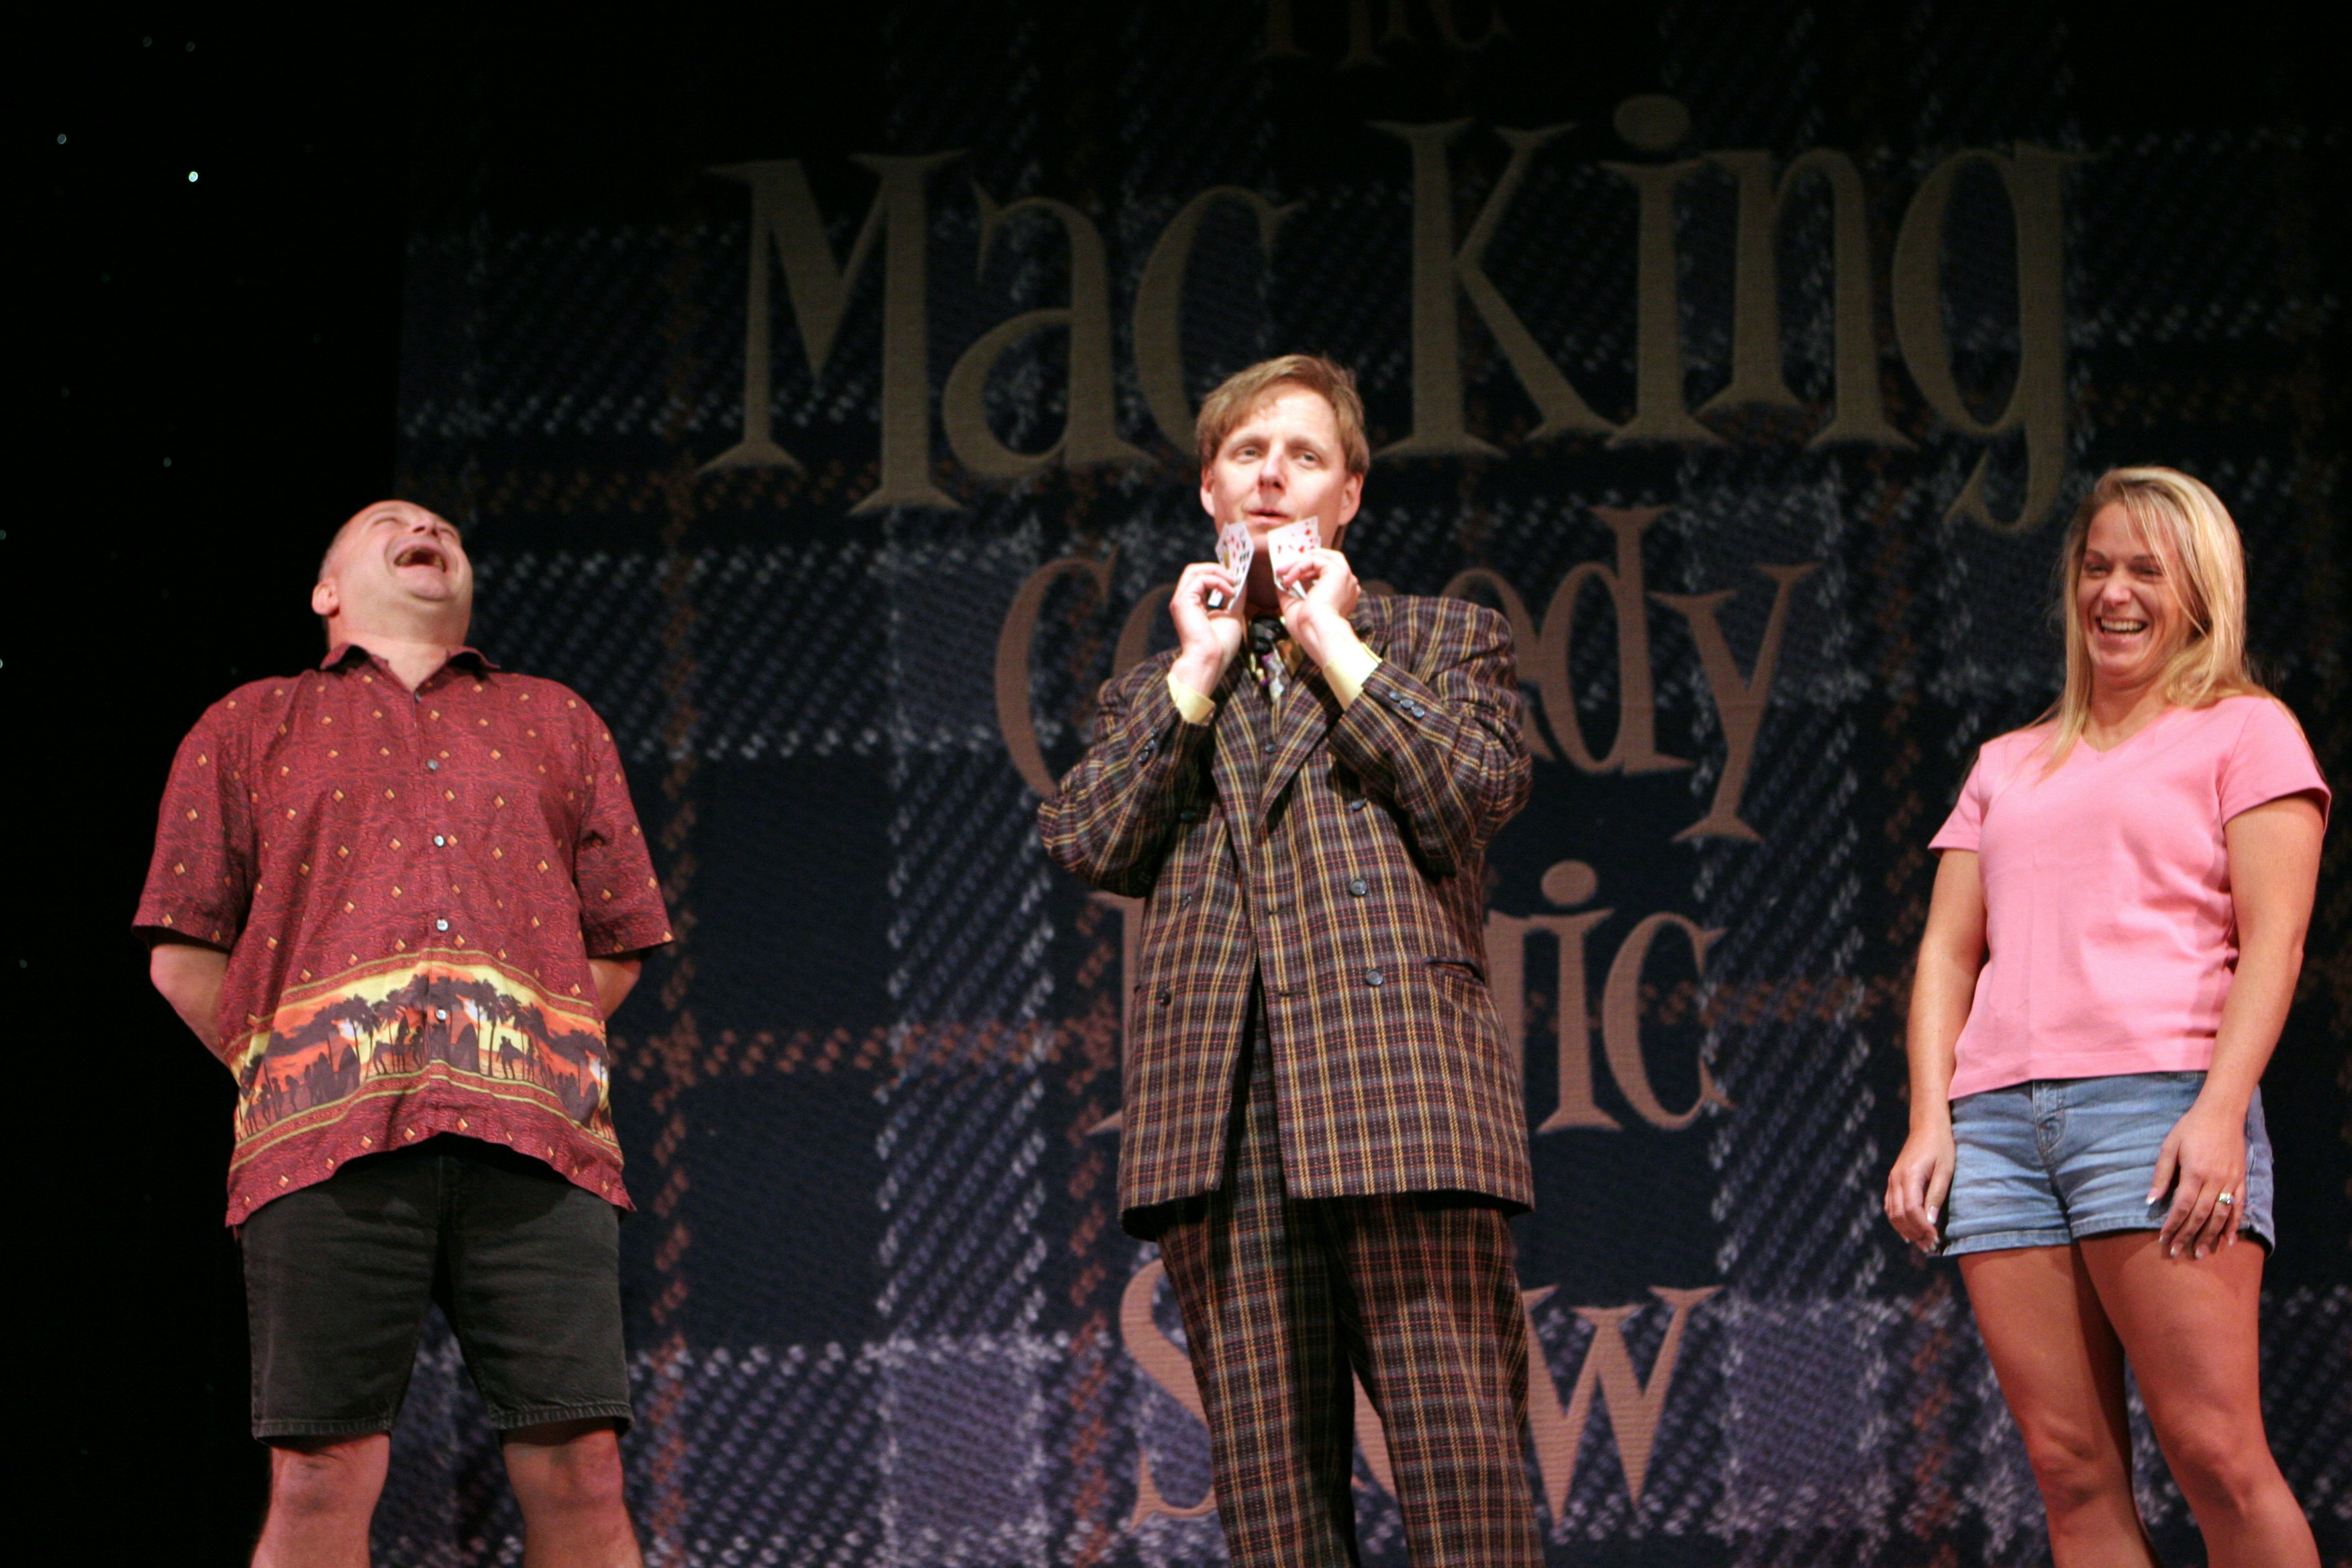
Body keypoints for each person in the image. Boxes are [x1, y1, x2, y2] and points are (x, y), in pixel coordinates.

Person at [1040, 356, 1540, 1565]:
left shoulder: (1439, 640)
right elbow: (1088, 838)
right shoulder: (1155, 692)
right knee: (1277, 1525)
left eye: (1304, 455)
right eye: (1250, 453)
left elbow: (1474, 792)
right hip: (1222, 1133)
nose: (1274, 476)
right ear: (1211, 483)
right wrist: (1199, 672)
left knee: (1467, 1492)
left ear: (1350, 493)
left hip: (1401, 1112)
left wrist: (1329, 635)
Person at [138, 500, 673, 1567]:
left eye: (442, 526)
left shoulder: (558, 720)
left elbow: (617, 938)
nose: (423, 526)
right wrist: (289, 1070)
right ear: (327, 592)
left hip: (537, 1144)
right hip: (322, 1148)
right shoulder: (249, 724)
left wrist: (522, 1055)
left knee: (583, 1470)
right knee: (321, 1474)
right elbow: (182, 949)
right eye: (388, 521)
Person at [1884, 467, 2326, 1567]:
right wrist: (1931, 1123)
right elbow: (1947, 950)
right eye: (2097, 567)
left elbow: (2275, 940)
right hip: (1996, 1130)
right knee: (2071, 1471)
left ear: (2199, 593)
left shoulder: (2247, 732)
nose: (2114, 593)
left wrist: (2221, 1112)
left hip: (2158, 1109)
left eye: (2145, 570)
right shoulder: (2007, 763)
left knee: (2216, 1453)